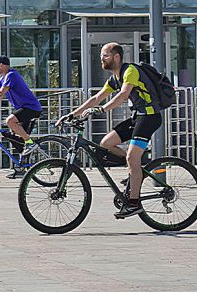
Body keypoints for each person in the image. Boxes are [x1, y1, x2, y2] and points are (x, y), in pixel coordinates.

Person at [60, 42, 163, 218]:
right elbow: (96, 97)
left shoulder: (130, 71)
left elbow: (123, 95)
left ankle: (133, 204)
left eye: (105, 55)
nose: (102, 59)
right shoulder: (115, 78)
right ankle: (135, 171)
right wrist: (72, 114)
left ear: (116, 57)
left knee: (132, 157)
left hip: (149, 117)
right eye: (101, 55)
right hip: (137, 117)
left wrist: (101, 110)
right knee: (106, 143)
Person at [0, 55, 43, 178]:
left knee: (10, 121)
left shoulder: (11, 75)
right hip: (25, 108)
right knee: (16, 139)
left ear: (1, 65)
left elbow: (1, 93)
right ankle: (22, 168)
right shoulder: (3, 78)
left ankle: (30, 143)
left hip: (32, 108)